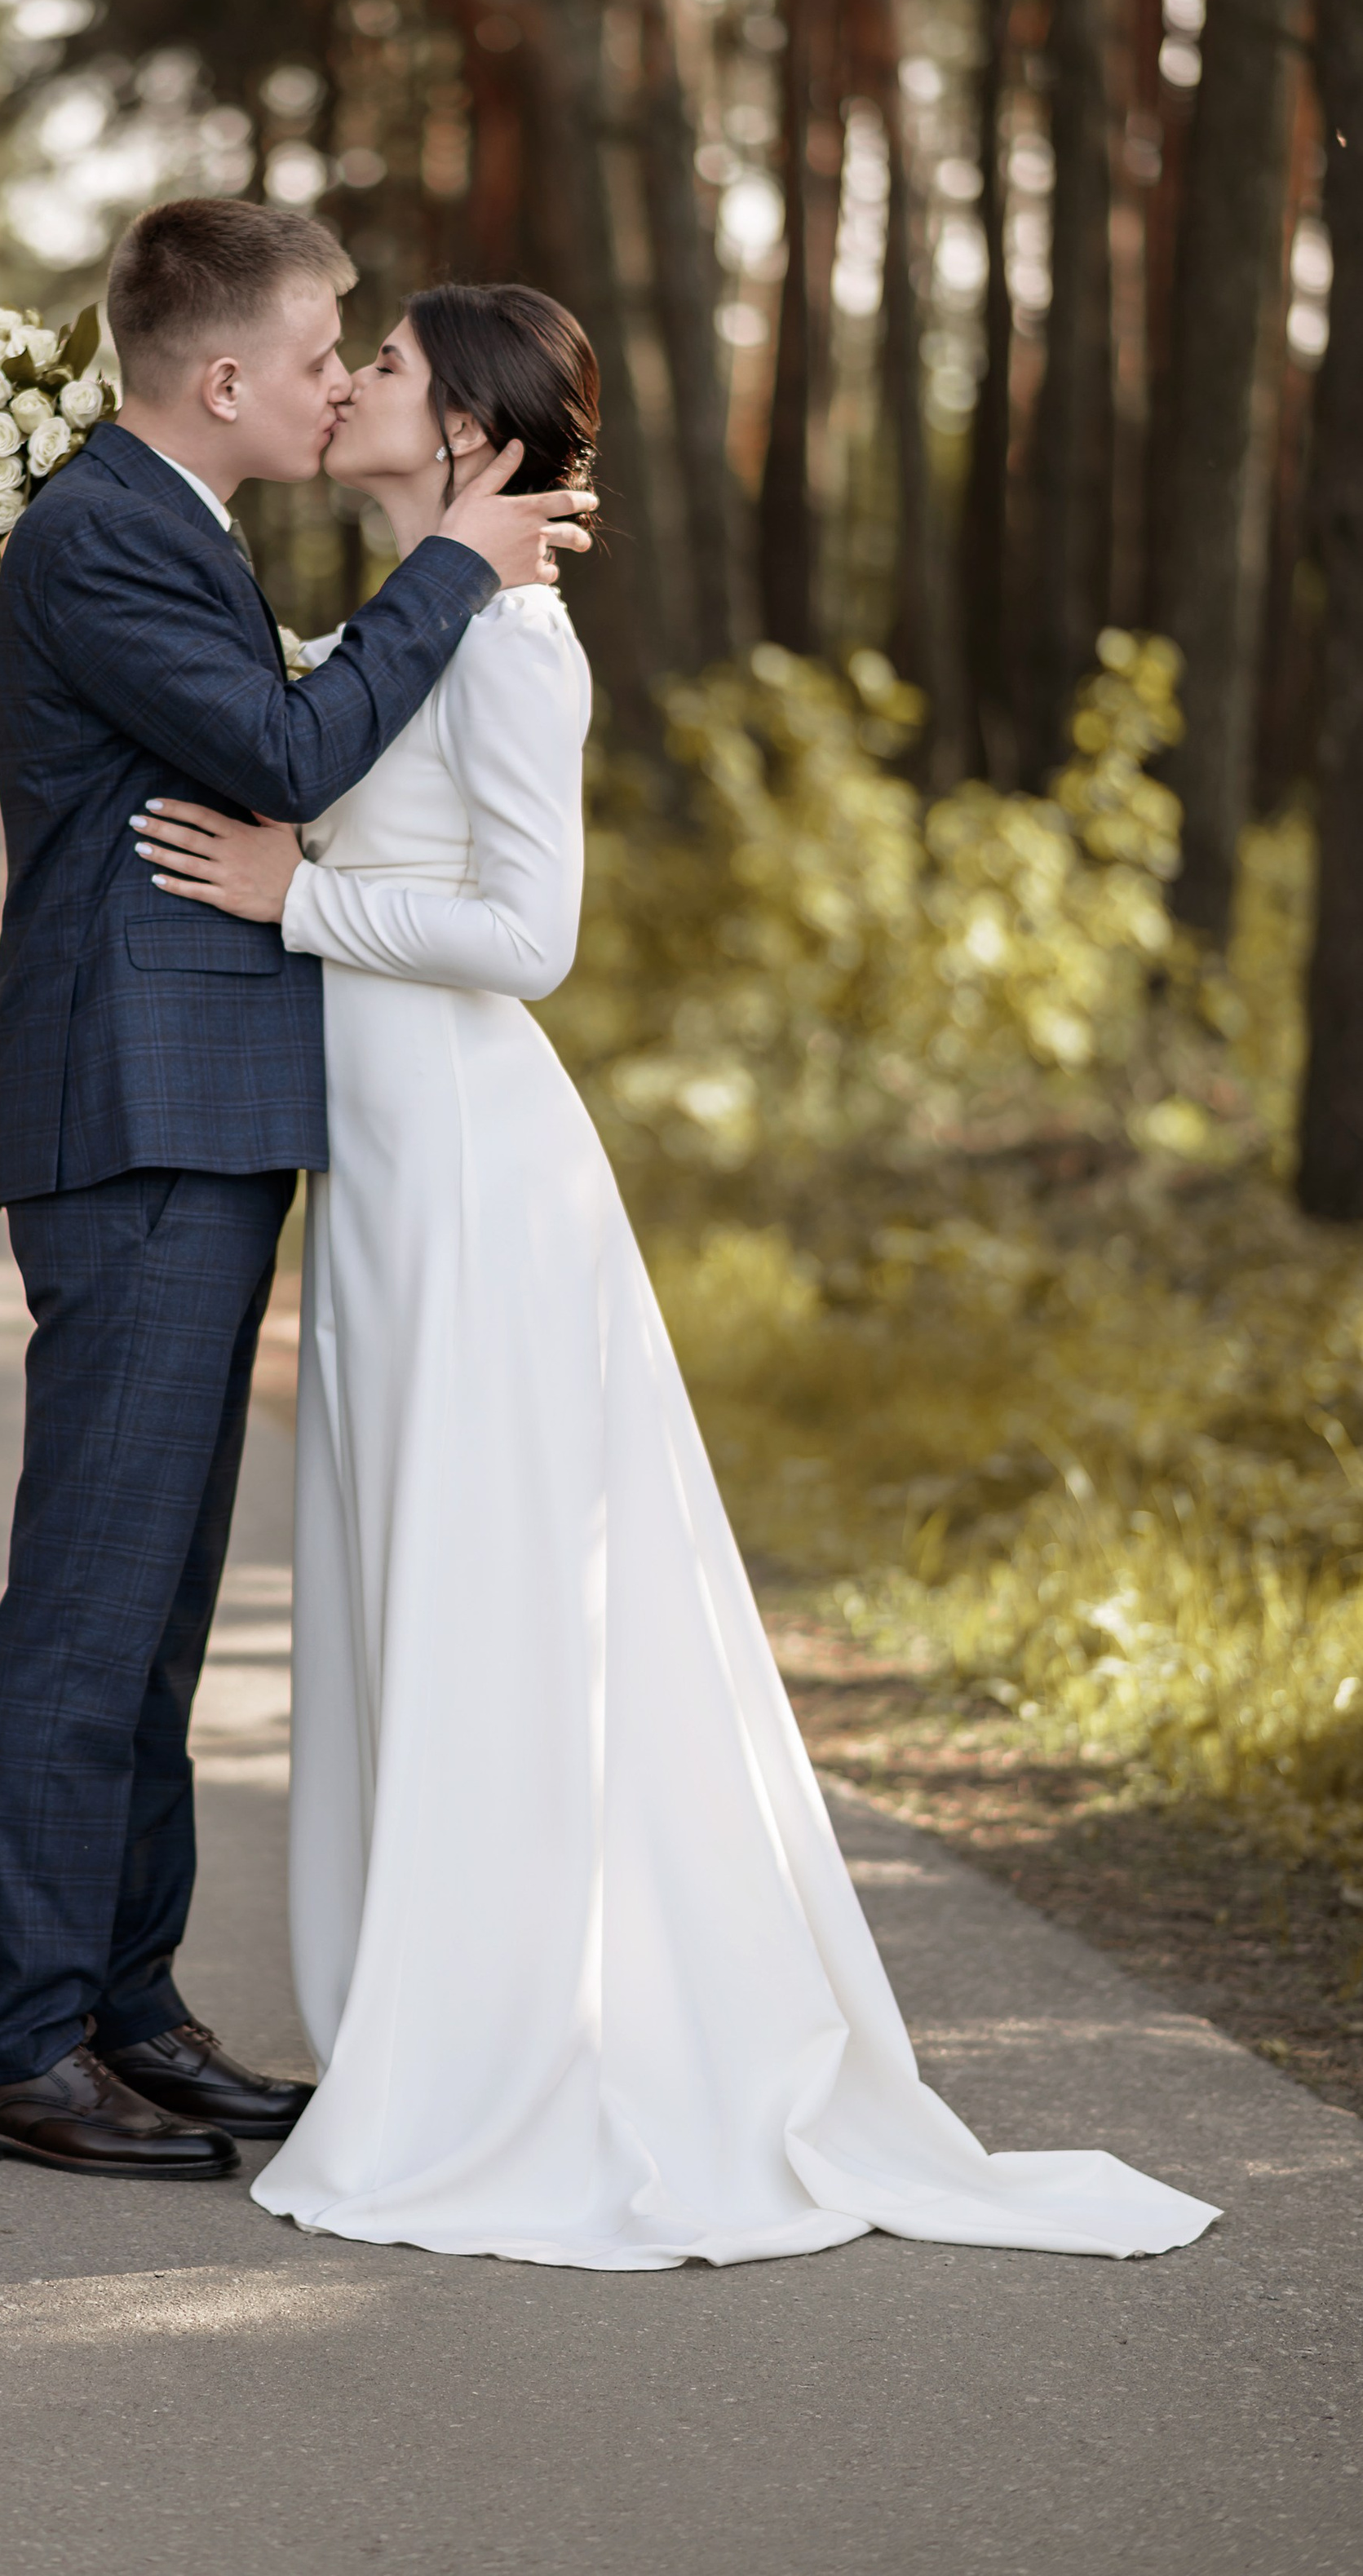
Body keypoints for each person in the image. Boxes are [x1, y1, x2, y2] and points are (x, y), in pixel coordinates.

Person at [130, 282, 1219, 2268]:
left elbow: (526, 934)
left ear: (464, 432)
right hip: (381, 1158)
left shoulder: (512, 642)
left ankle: (519, 2054)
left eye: (380, 365)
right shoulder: (415, 620)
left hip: (467, 1156)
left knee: (480, 1583)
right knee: (411, 1580)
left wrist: (302, 899)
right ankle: (436, 2016)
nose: (348, 377)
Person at [0, 207, 595, 2180]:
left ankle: (122, 2009)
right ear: (220, 381)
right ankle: (13, 2042)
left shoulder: (179, 528)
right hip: (136, 1120)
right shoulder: (107, 533)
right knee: (90, 1604)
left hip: (201, 1120)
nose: (335, 381)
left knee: (150, 1610)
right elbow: (289, 747)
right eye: (320, 352)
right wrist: (458, 573)